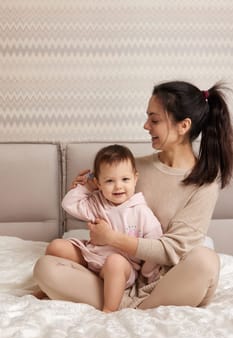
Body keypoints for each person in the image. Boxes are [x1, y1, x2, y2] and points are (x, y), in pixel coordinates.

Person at [34, 80, 233, 310]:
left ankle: (139, 305)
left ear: (183, 125)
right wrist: (82, 188)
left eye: (154, 119)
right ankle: (122, 302)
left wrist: (111, 239)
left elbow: (171, 250)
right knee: (45, 267)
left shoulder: (204, 184)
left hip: (165, 284)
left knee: (206, 261)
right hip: (114, 275)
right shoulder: (130, 170)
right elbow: (98, 205)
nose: (146, 126)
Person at [35, 144, 162, 312]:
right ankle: (51, 286)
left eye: (125, 179)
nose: (118, 186)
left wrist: (147, 276)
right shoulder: (97, 201)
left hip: (122, 267)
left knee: (115, 262)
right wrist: (86, 187)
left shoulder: (141, 211)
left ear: (135, 178)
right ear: (98, 183)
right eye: (109, 181)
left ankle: (109, 309)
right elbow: (69, 204)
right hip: (92, 257)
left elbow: (154, 246)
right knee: (56, 246)